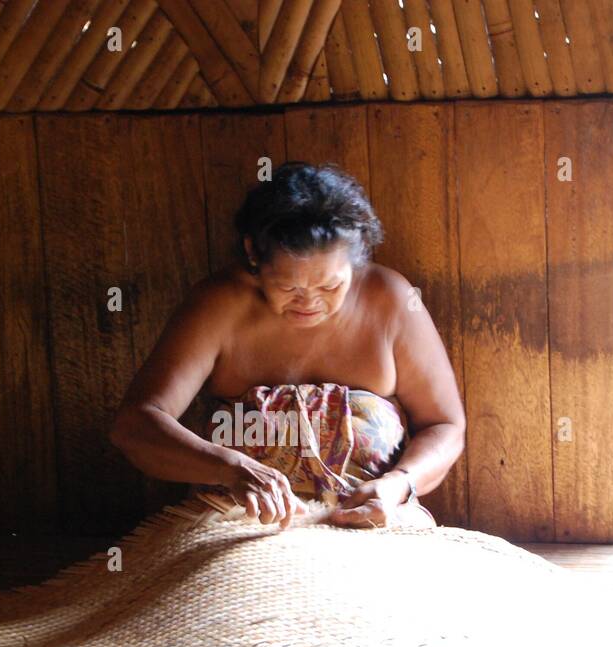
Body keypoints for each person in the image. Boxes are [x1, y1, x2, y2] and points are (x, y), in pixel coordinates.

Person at [110, 161, 465, 529]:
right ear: (253, 253)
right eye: (289, 286)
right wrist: (230, 468)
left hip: (372, 522)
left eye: (329, 286)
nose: (309, 301)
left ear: (355, 261)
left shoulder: (390, 300)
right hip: (242, 524)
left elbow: (444, 424)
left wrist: (399, 483)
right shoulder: (219, 305)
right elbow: (134, 424)